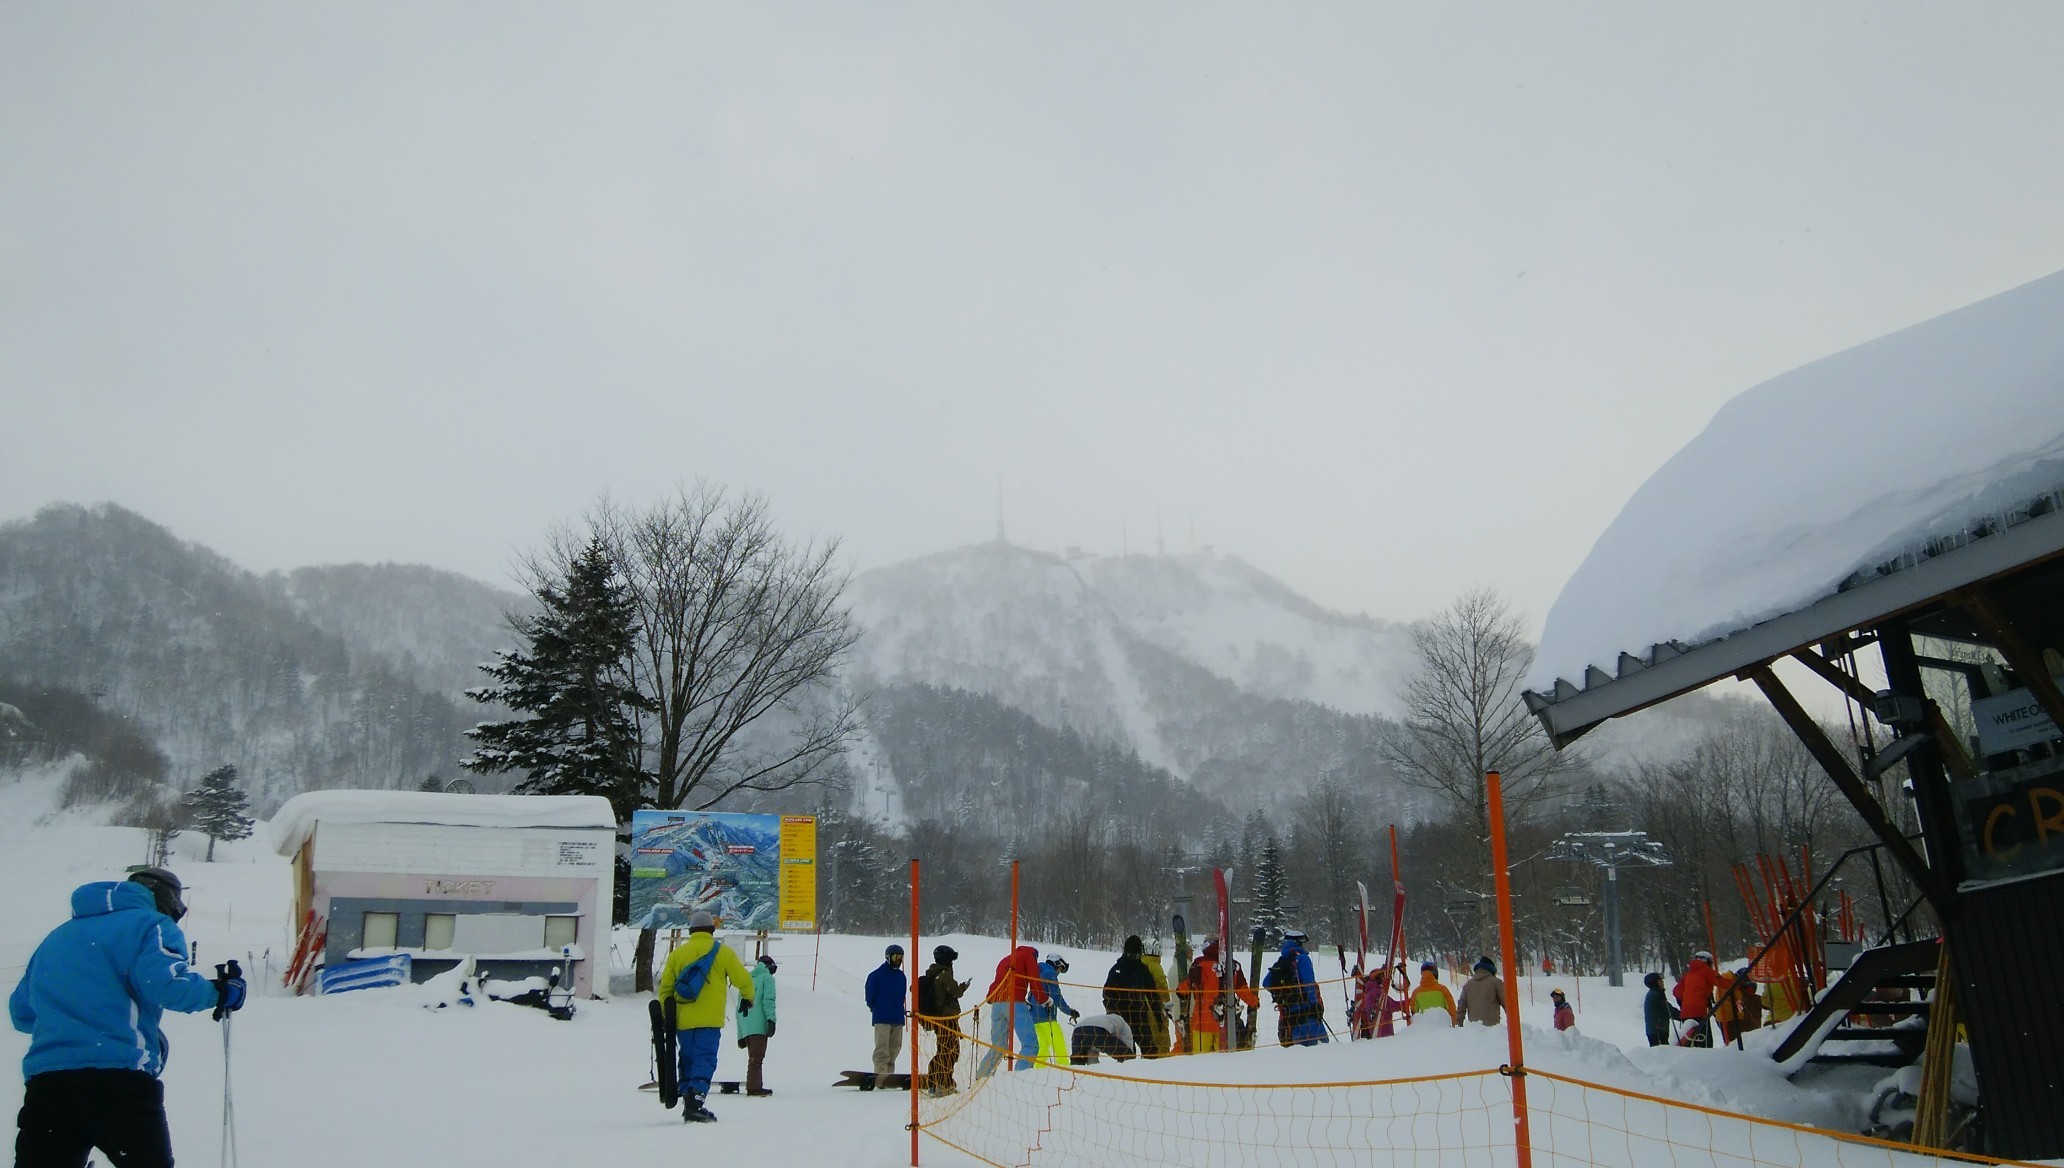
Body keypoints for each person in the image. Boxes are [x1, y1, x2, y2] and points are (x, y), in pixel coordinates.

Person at [9, 868, 245, 1168]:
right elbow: (167, 986)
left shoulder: (56, 938)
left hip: (48, 1089)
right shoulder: (151, 926)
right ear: (165, 897)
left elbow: (22, 1013)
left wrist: (73, 1021)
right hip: (118, 1081)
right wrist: (221, 993)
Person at [657, 910, 756, 1122]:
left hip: (683, 1020)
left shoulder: (677, 955)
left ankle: (688, 1099)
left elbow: (665, 990)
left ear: (691, 931)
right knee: (705, 1057)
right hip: (710, 1019)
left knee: (687, 1058)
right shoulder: (722, 953)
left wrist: (666, 1016)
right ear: (712, 930)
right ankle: (696, 1101)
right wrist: (748, 997)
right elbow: (743, 979)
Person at [976, 945, 1042, 1077]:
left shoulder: (1006, 959)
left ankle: (981, 1077)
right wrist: (1043, 999)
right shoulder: (1028, 956)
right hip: (1015, 1003)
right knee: (1030, 1044)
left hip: (997, 1003)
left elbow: (998, 981)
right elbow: (1035, 981)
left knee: (999, 1046)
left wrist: (991, 996)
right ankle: (1020, 1078)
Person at [1180, 941, 1257, 1053]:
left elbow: (1188, 985)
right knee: (1223, 1057)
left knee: (1200, 1058)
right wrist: (1254, 1002)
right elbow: (1242, 989)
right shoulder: (1232, 965)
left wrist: (1180, 991)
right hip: (1226, 1021)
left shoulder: (1199, 963)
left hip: (1202, 1021)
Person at [918, 945, 970, 1096]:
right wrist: (963, 987)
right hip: (947, 1020)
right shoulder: (944, 975)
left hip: (940, 1020)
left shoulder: (934, 974)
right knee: (950, 1052)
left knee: (944, 1051)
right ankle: (943, 1084)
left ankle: (934, 1082)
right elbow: (957, 992)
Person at [1102, 935, 1165, 1058]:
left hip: (1140, 1017)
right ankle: (1129, 1074)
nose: (1133, 958)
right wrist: (1112, 1013)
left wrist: (1158, 1016)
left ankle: (1151, 1074)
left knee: (1151, 1051)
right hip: (1122, 1017)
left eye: (1136, 955)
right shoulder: (1117, 970)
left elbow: (1152, 995)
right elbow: (1107, 994)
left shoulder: (1142, 969)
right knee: (1127, 1054)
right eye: (1131, 955)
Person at [1261, 929, 1327, 1046]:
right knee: (1321, 1049)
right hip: (1308, 1013)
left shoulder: (1282, 961)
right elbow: (1308, 983)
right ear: (1298, 942)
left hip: (1290, 1014)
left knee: (1297, 1052)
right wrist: (1314, 1004)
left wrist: (1285, 995)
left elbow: (1266, 983)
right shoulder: (1302, 959)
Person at [863, 944, 908, 1089]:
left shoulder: (901, 976)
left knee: (895, 1048)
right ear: (888, 957)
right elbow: (870, 996)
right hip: (882, 1017)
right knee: (882, 1048)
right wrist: (876, 1008)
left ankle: (890, 1075)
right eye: (896, 957)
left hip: (897, 1017)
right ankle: (880, 1075)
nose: (898, 960)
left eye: (901, 957)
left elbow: (902, 996)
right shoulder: (876, 975)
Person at [736, 954, 778, 1097]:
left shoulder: (747, 979)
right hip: (759, 1023)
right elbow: (768, 1000)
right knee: (757, 1058)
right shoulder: (768, 979)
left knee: (753, 1057)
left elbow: (739, 1009)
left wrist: (740, 1034)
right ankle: (754, 1087)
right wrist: (771, 1020)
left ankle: (753, 1085)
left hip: (746, 1025)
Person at [1029, 953, 1078, 1067]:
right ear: (1057, 963)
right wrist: (1070, 1011)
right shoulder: (1050, 973)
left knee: (1043, 1046)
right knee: (1058, 1044)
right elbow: (1056, 997)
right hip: (1047, 1016)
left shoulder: (1038, 970)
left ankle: (1037, 1070)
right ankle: (1064, 1068)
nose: (1059, 972)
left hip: (1033, 1016)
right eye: (1061, 969)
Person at [1673, 950, 1718, 1048]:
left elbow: (1676, 991)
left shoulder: (1689, 974)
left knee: (1691, 1040)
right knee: (1705, 1042)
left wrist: (1684, 1004)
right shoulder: (1706, 970)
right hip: (1699, 1011)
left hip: (1686, 1013)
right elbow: (1720, 982)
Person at [1138, 942, 1174, 1057]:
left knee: (1148, 1038)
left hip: (1140, 1008)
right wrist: (1167, 1003)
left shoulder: (1140, 964)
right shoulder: (1155, 966)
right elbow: (1161, 985)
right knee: (1161, 1037)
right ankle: (1162, 1061)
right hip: (1155, 1009)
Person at [1068, 1013, 1137, 1063]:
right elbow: (1128, 1043)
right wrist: (1130, 1056)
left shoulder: (1108, 1019)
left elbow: (1093, 1051)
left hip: (1077, 1031)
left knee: (1077, 1063)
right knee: (1126, 1054)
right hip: (1097, 1030)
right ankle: (1128, 1074)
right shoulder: (1124, 1025)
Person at [1457, 956, 1505, 1027]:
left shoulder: (1468, 985)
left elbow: (1461, 1007)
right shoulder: (1496, 983)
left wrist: (1458, 1024)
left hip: (1474, 1030)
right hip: (1493, 1030)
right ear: (1492, 969)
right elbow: (1508, 1004)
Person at [1408, 960, 1458, 1027]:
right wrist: (1454, 1024)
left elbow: (1414, 1013)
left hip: (1425, 1027)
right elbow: (1451, 1009)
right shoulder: (1442, 989)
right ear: (1436, 973)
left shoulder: (1416, 992)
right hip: (1443, 1027)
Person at [1643, 971, 1675, 1047]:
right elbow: (1667, 1008)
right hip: (1658, 1029)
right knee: (1661, 1052)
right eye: (1660, 980)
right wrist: (1682, 1016)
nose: (1662, 981)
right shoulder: (1655, 994)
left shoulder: (1656, 993)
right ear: (1655, 982)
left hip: (1657, 1028)